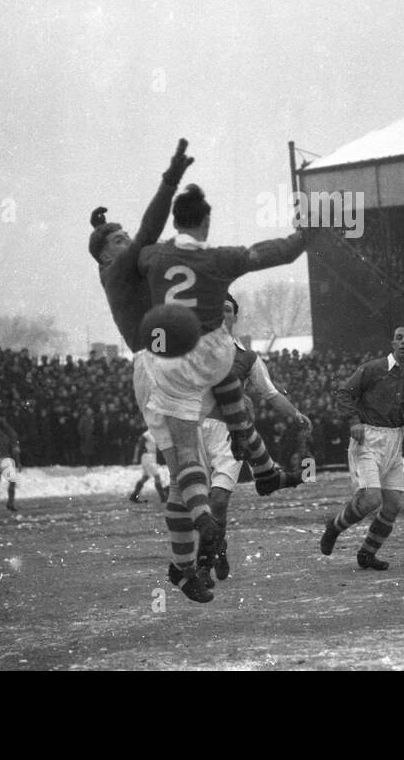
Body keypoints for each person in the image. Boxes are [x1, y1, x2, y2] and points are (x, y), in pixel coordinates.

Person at [88, 141, 287, 603]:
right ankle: (194, 547)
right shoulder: (117, 270)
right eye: (117, 240)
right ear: (103, 257)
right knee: (182, 471)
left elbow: (155, 240)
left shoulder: (141, 264)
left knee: (193, 463)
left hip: (180, 360)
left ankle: (255, 470)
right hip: (154, 369)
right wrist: (171, 180)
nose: (130, 242)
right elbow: (150, 228)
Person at [136, 183, 306, 597]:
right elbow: (274, 253)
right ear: (206, 222)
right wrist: (308, 232)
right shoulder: (216, 260)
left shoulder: (152, 255)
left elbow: (141, 248)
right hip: (186, 368)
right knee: (185, 475)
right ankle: (194, 551)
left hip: (161, 364)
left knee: (218, 423)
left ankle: (258, 479)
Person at [194, 294, 308, 587]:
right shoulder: (192, 351)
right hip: (194, 432)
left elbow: (270, 393)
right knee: (198, 504)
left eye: (228, 310)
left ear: (234, 318)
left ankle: (203, 566)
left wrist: (295, 414)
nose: (222, 315)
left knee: (218, 500)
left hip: (228, 434)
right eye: (216, 310)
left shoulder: (247, 358)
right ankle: (218, 547)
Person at [320, 323, 404, 571]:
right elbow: (343, 392)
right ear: (392, 344)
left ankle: (367, 553)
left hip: (394, 441)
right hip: (367, 439)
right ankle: (334, 527)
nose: (403, 341)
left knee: (393, 505)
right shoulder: (372, 369)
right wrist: (354, 421)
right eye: (398, 338)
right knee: (371, 499)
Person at [129, 428, 169, 503]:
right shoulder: (147, 434)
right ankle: (163, 498)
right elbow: (138, 446)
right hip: (148, 457)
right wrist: (135, 457)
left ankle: (134, 496)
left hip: (152, 457)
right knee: (157, 476)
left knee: (145, 477)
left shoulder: (155, 435)